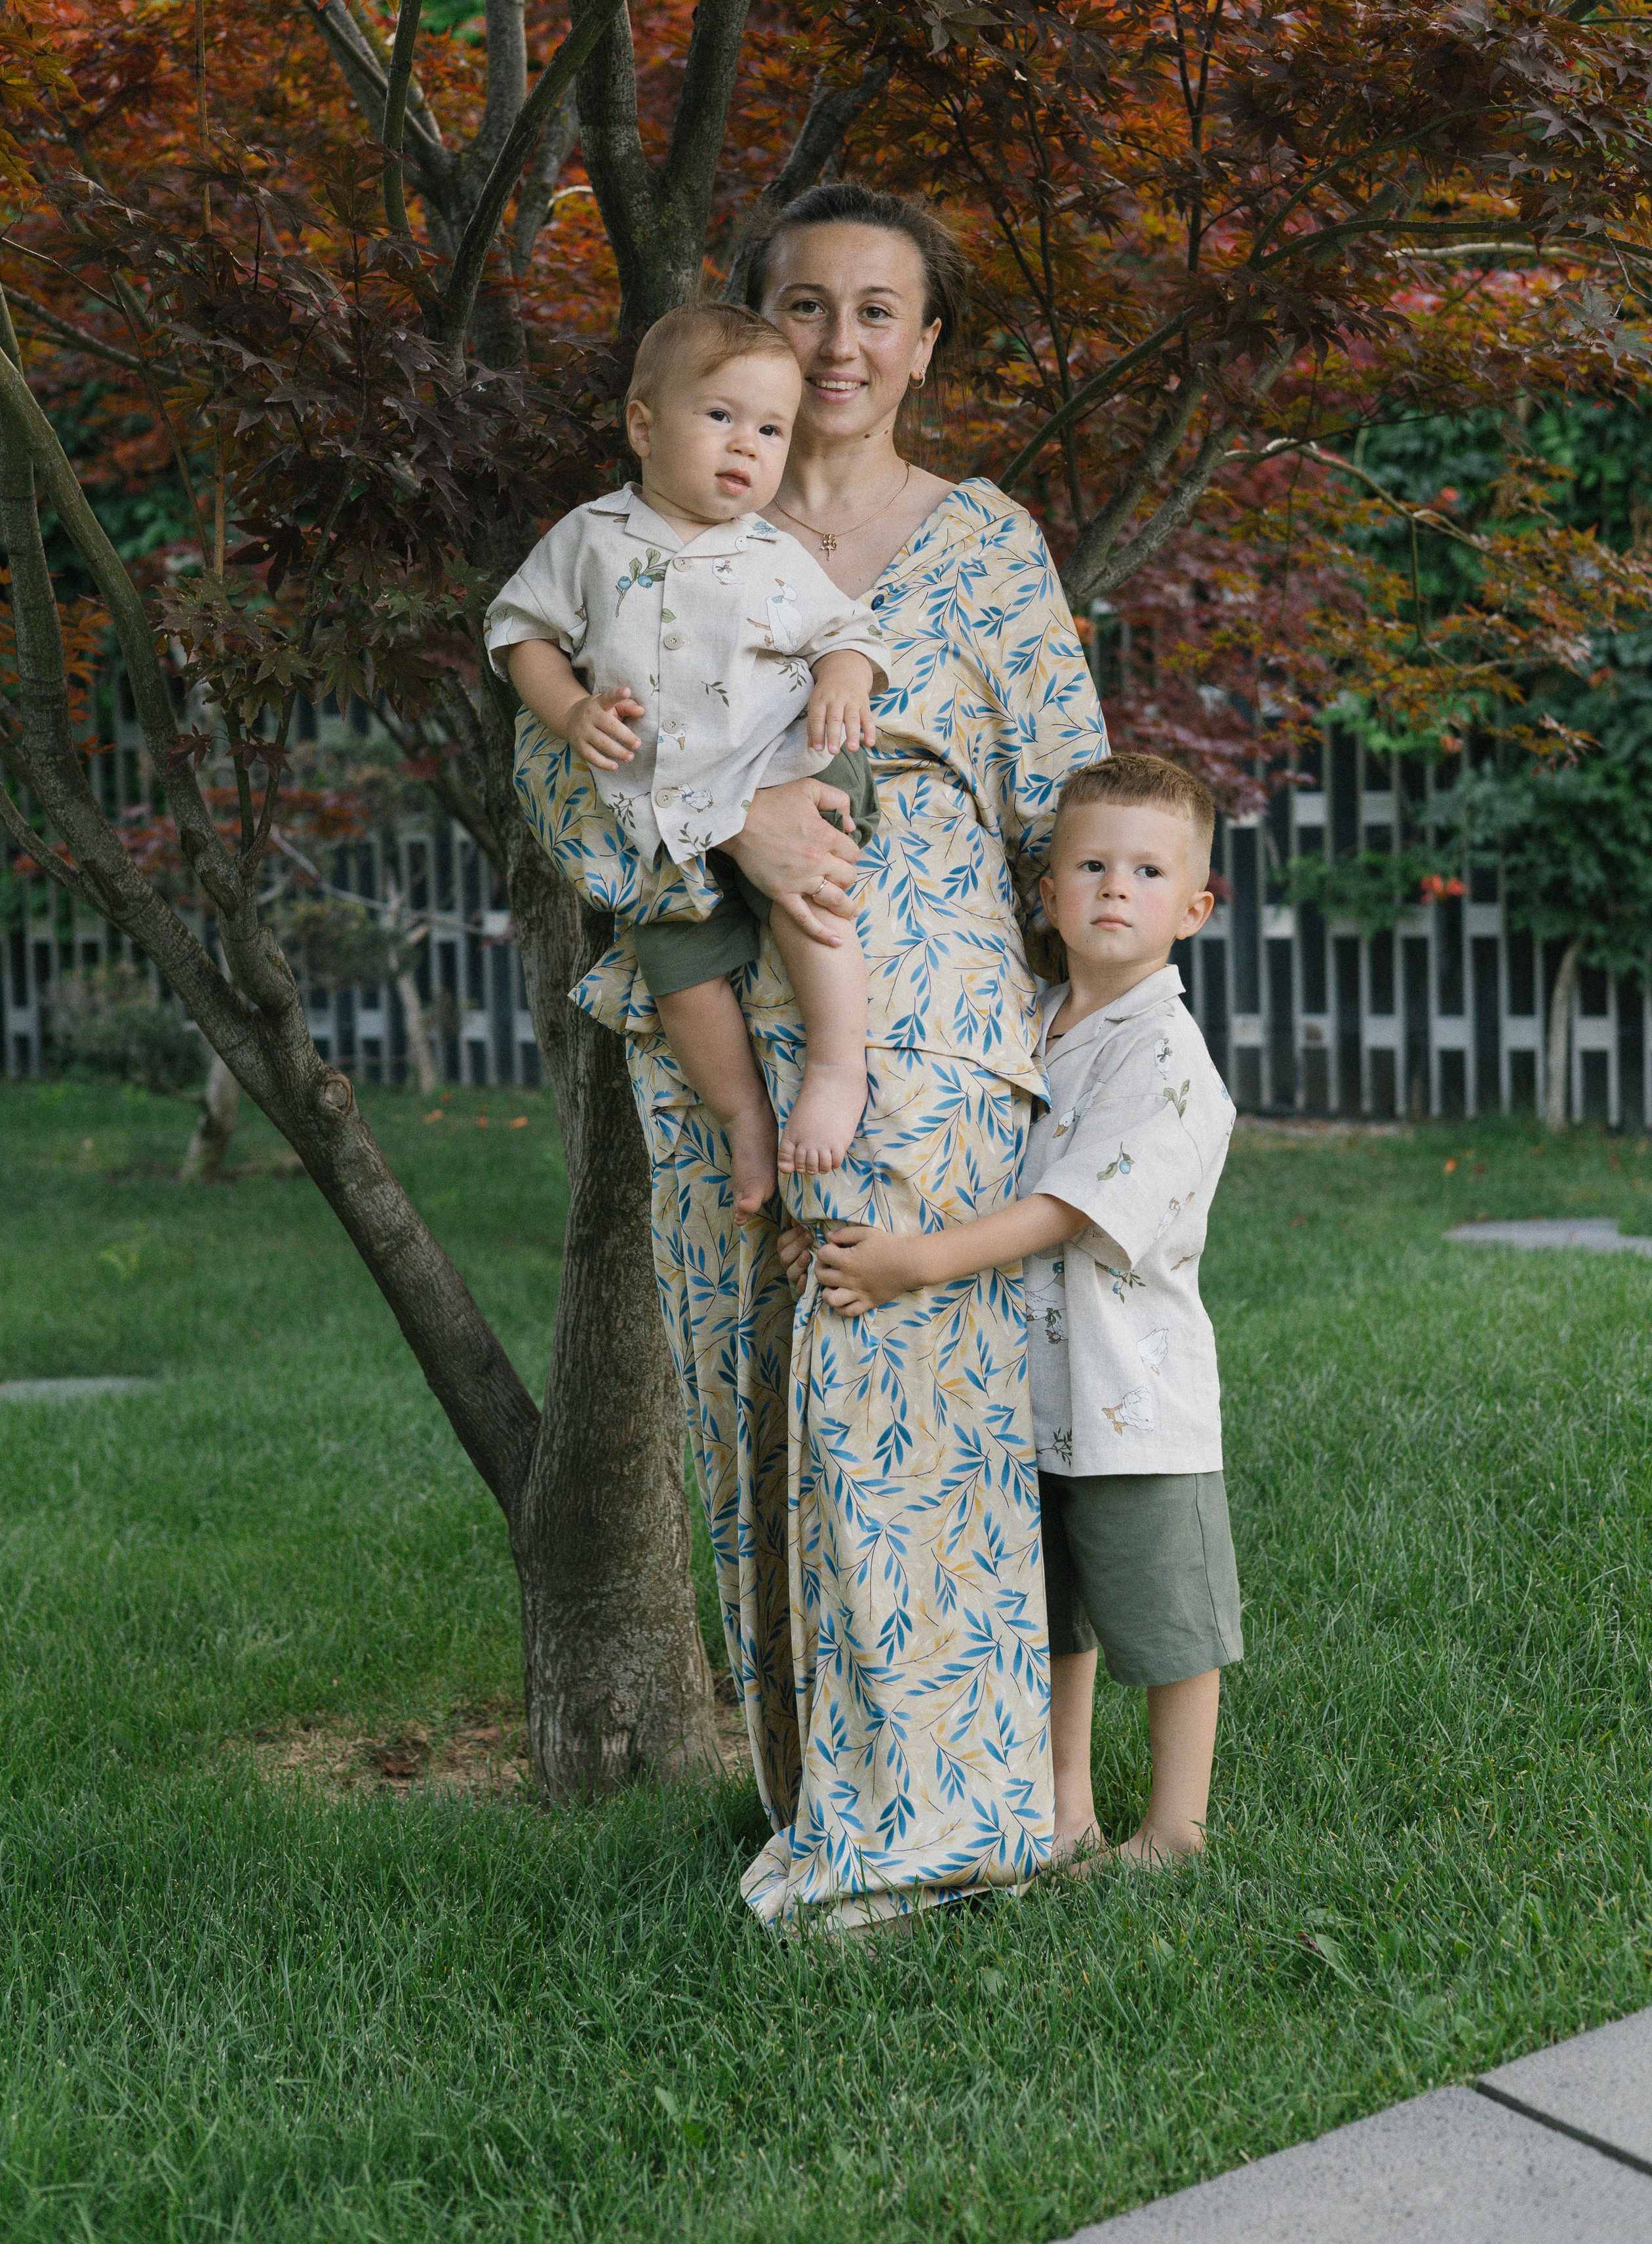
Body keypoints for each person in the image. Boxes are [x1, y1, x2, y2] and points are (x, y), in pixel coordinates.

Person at [512, 182, 1107, 1931]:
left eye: (878, 310)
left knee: (900, 1398)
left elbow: (1069, 804)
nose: (842, 342)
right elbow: (560, 780)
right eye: (806, 305)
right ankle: (836, 1791)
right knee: (749, 1401)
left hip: (921, 1019)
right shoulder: (635, 541)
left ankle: (939, 1824)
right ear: (756, 326)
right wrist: (732, 829)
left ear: (927, 345)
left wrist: (1097, 1038)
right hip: (703, 1026)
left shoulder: (985, 540)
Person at [804, 753, 1243, 1868]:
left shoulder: (1169, 1059)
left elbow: (1063, 1208)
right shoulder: (1033, 1021)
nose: (1114, 888)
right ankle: (1065, 1807)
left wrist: (916, 1264)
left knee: (1166, 1622)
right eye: (1090, 864)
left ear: (1192, 909)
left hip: (1134, 1399)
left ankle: (1178, 1826)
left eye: (1147, 871)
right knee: (1055, 1619)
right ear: (1045, 893)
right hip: (1025, 1393)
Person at [484, 304, 890, 1208]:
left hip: (783, 762)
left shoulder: (770, 554)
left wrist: (844, 681)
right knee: (681, 967)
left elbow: (848, 633)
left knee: (809, 896)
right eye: (720, 417)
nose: (747, 445)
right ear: (642, 424)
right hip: (663, 809)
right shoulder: (590, 538)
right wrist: (573, 708)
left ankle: (837, 1065)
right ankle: (744, 1117)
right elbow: (521, 635)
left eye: (771, 429)